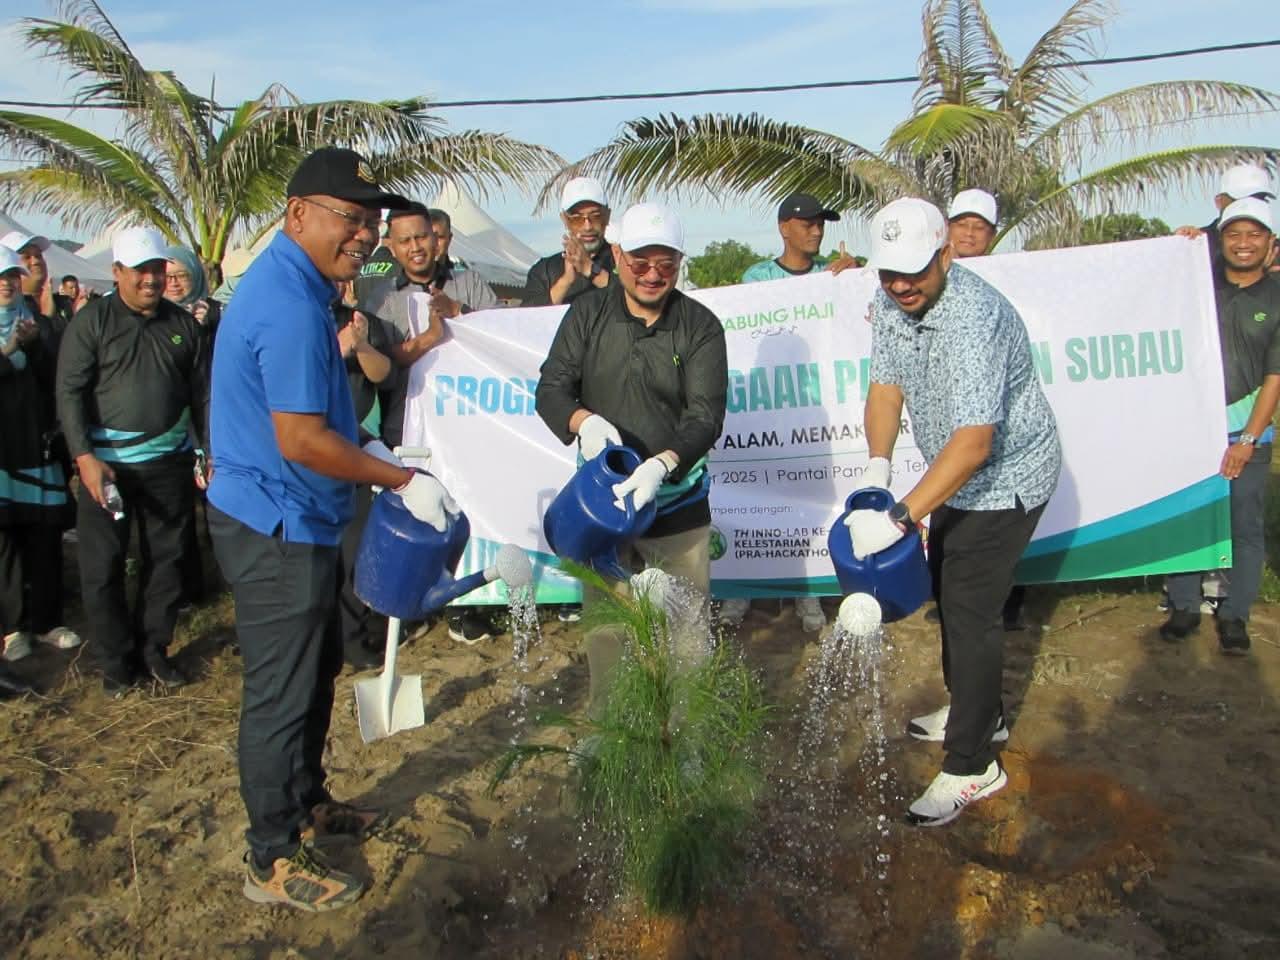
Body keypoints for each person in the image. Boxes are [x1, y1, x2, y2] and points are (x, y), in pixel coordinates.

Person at [207, 147, 456, 911]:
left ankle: (309, 802)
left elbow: (325, 417)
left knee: (313, 674)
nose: (365, 235)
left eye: (372, 222)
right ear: (297, 216)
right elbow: (301, 439)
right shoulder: (284, 303)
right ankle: (271, 857)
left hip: (303, 516)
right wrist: (401, 477)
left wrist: (372, 446)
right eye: (350, 219)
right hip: (276, 523)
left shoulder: (305, 290)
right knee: (281, 692)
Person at [849, 197, 1060, 827]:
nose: (901, 285)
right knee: (949, 586)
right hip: (957, 476)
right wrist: (878, 471)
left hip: (1007, 476)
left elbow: (975, 443)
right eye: (889, 273)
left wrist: (897, 519)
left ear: (946, 254)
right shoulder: (891, 303)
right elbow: (886, 390)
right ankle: (981, 709)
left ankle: (973, 764)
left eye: (914, 269)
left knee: (970, 608)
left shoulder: (974, 318)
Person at [536, 202, 728, 709]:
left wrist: (662, 463)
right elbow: (551, 389)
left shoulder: (700, 326)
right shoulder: (587, 315)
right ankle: (610, 728)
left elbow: (705, 416)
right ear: (617, 255)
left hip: (676, 504)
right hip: (603, 506)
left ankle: (689, 737)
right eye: (640, 262)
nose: (652, 275)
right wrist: (586, 422)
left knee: (687, 628)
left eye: (665, 263)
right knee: (606, 630)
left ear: (679, 263)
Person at [56, 226, 209, 693]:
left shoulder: (183, 327)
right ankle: (115, 665)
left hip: (168, 463)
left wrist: (206, 451)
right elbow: (69, 391)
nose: (151, 280)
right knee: (103, 569)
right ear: (117, 272)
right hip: (107, 468)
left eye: (157, 269)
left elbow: (202, 396)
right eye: (140, 271)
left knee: (166, 561)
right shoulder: (92, 322)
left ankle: (153, 650)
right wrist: (84, 456)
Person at [355, 201, 494, 644]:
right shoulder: (379, 300)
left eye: (423, 237)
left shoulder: (471, 281)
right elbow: (383, 367)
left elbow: (500, 336)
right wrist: (428, 339)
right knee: (415, 516)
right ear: (390, 247)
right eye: (405, 241)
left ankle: (463, 607)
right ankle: (404, 605)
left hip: (465, 419)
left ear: (438, 238)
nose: (416, 247)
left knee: (464, 511)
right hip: (408, 424)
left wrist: (463, 314)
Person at [1161, 198, 1280, 655]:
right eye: (1233, 234)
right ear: (1222, 241)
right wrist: (1182, 249)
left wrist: (1248, 439)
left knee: (1243, 526)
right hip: (1191, 429)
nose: (1243, 243)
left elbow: (1275, 378)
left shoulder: (1275, 298)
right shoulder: (1199, 286)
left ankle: (1235, 616)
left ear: (1270, 243)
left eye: (1253, 235)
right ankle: (1184, 606)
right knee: (1187, 518)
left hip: (1246, 435)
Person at [721, 192, 843, 633]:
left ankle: (807, 593)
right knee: (752, 498)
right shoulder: (756, 277)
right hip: (764, 412)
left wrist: (849, 282)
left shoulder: (834, 275)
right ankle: (741, 587)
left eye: (820, 223)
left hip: (810, 415)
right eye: (808, 222)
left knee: (805, 502)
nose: (816, 230)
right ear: (783, 227)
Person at [0, 245, 78, 663]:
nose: (8, 284)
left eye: (11, 277)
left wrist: (31, 346)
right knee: (5, 542)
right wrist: (11, 347)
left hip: (38, 446)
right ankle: (13, 629)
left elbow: (56, 377)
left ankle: (49, 622)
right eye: (1, 278)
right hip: (2, 454)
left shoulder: (40, 326)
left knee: (44, 536)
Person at [332, 286, 397, 669]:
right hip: (312, 448)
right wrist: (337, 350)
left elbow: (384, 375)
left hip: (359, 449)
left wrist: (359, 345)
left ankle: (354, 638)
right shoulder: (298, 318)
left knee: (355, 548)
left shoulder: (364, 323)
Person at [523, 177, 616, 307]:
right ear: (565, 220)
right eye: (577, 218)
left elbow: (638, 305)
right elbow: (527, 318)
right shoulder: (544, 271)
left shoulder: (627, 262)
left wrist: (591, 270)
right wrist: (565, 281)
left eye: (595, 216)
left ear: (607, 216)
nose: (587, 226)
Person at [1175, 163, 1275, 268]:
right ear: (1219, 202)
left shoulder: (1275, 249)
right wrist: (1179, 244)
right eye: (1241, 199)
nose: (1249, 205)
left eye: (1259, 199)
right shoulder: (1196, 242)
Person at [0, 230, 76, 339]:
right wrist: (45, 319)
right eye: (26, 257)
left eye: (38, 255)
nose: (36, 261)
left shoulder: (63, 303)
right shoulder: (9, 315)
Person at [425, 208, 500, 314]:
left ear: (449, 238)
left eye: (440, 237)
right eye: (428, 237)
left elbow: (498, 320)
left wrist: (458, 309)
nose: (434, 244)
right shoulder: (395, 288)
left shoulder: (471, 281)